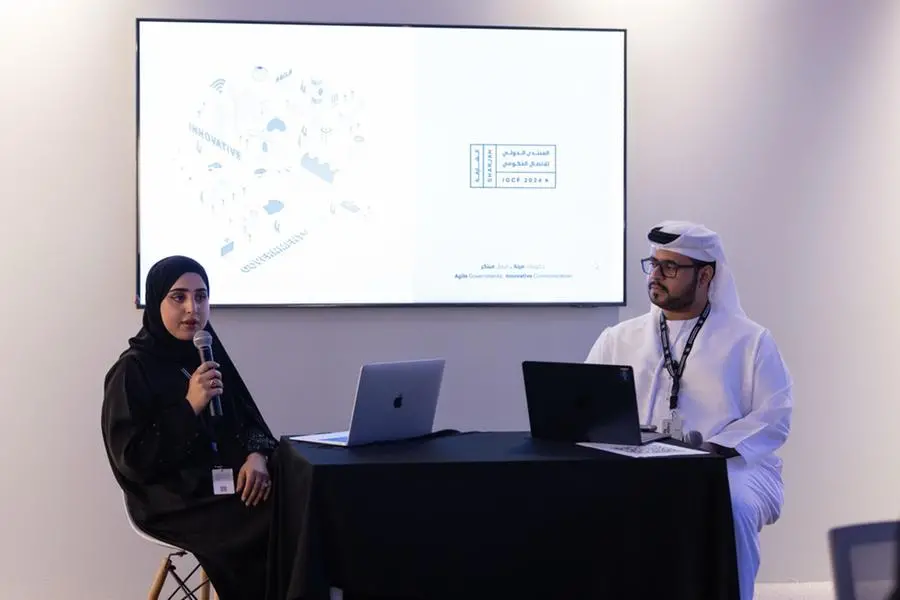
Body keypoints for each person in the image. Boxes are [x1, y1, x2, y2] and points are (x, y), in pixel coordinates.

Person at [584, 221, 793, 600]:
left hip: (731, 466)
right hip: (637, 462)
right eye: (653, 264)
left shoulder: (750, 340)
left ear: (705, 275)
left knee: (729, 506)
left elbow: (774, 417)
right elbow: (586, 404)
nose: (656, 275)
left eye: (670, 267)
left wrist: (712, 449)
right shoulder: (617, 338)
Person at [101, 255, 279, 600]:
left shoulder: (207, 352)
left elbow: (246, 419)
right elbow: (133, 460)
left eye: (201, 296)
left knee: (296, 485)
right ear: (156, 302)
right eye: (178, 297)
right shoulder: (132, 370)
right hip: (173, 499)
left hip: (223, 480)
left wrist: (256, 454)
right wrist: (189, 406)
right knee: (274, 516)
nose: (192, 309)